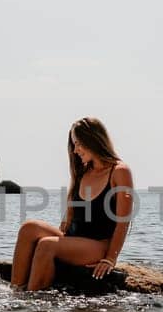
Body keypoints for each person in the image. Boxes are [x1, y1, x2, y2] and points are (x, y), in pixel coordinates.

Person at [10, 117, 134, 290]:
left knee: (46, 245)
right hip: (75, 239)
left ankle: (33, 304)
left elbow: (123, 221)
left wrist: (110, 258)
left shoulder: (119, 171)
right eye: (74, 144)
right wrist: (63, 245)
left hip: (98, 244)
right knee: (29, 228)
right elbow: (69, 215)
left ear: (93, 140)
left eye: (78, 144)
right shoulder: (82, 172)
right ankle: (16, 293)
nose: (75, 150)